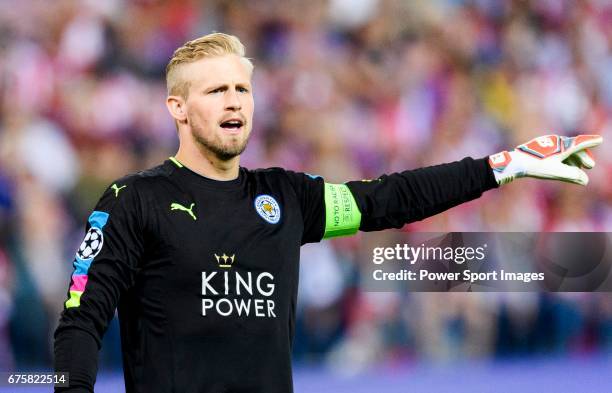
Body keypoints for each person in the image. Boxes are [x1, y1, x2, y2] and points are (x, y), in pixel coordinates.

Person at [53, 33, 602, 393]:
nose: (234, 101)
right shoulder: (132, 202)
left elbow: (390, 199)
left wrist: (503, 166)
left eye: (242, 88)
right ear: (177, 107)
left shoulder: (286, 200)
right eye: (216, 90)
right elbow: (80, 322)